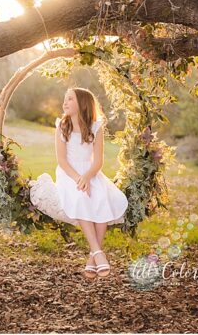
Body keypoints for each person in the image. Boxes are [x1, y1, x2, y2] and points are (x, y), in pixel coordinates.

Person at [54, 87, 128, 278]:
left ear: (82, 104)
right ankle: (98, 252)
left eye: (69, 99)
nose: (65, 102)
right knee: (81, 196)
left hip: (90, 171)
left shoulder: (95, 127)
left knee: (101, 196)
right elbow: (62, 160)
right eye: (65, 98)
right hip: (68, 174)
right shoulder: (62, 126)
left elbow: (98, 162)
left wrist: (87, 176)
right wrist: (78, 178)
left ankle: (92, 258)